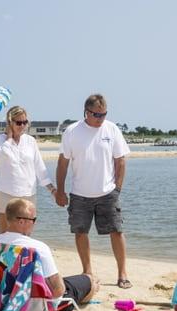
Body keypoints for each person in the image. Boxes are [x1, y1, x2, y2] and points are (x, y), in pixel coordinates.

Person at [55, 94, 132, 289]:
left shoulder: (112, 129)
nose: (101, 118)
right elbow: (63, 163)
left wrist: (117, 189)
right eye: (97, 115)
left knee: (117, 231)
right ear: (86, 112)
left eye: (104, 114)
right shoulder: (72, 131)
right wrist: (60, 191)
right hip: (80, 194)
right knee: (80, 232)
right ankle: (87, 272)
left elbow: (120, 160)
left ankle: (122, 274)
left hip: (108, 193)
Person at [0, 198, 99, 311]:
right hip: (34, 307)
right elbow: (58, 290)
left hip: (2, 302)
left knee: (73, 282)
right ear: (21, 221)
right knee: (89, 281)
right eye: (33, 219)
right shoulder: (38, 248)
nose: (35, 223)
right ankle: (92, 286)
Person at [0, 106, 55, 233]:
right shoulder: (0, 139)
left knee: (26, 233)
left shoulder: (30, 141)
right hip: (6, 192)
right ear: (10, 123)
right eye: (18, 122)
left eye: (25, 122)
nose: (22, 126)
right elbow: (7, 155)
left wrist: (52, 189)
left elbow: (39, 166)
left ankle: (24, 253)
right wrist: (10, 137)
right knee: (5, 233)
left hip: (28, 193)